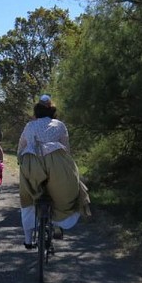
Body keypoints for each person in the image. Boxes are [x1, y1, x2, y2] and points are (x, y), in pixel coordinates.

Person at [17, 95, 91, 249]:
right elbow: (66, 149)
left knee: (28, 198)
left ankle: (28, 239)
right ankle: (58, 224)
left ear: (36, 110)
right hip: (57, 163)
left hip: (32, 163)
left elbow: (21, 146)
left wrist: (20, 160)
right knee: (66, 192)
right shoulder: (60, 125)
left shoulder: (29, 126)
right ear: (52, 111)